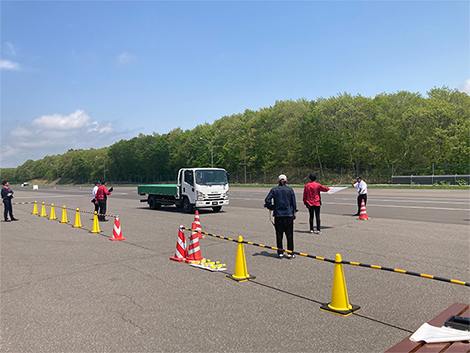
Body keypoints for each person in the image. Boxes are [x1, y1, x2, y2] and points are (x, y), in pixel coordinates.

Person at [264, 174, 298, 259]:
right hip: (288, 214)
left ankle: (280, 253)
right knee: (289, 235)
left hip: (278, 215)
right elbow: (293, 203)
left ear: (278, 181)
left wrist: (271, 207)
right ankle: (290, 253)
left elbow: (267, 200)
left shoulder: (274, 190)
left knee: (279, 235)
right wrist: (294, 213)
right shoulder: (290, 190)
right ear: (286, 181)